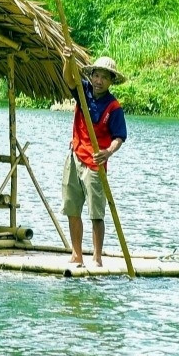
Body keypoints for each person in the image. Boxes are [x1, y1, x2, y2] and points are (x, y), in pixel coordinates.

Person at [64, 56, 128, 268]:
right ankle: (76, 254)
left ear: (110, 81)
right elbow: (69, 79)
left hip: (95, 162)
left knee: (96, 213)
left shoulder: (114, 107)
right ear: (91, 76)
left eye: (104, 78)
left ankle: (97, 258)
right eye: (96, 76)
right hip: (75, 155)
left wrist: (108, 152)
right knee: (72, 207)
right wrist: (66, 60)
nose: (99, 81)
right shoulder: (83, 92)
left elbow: (119, 137)